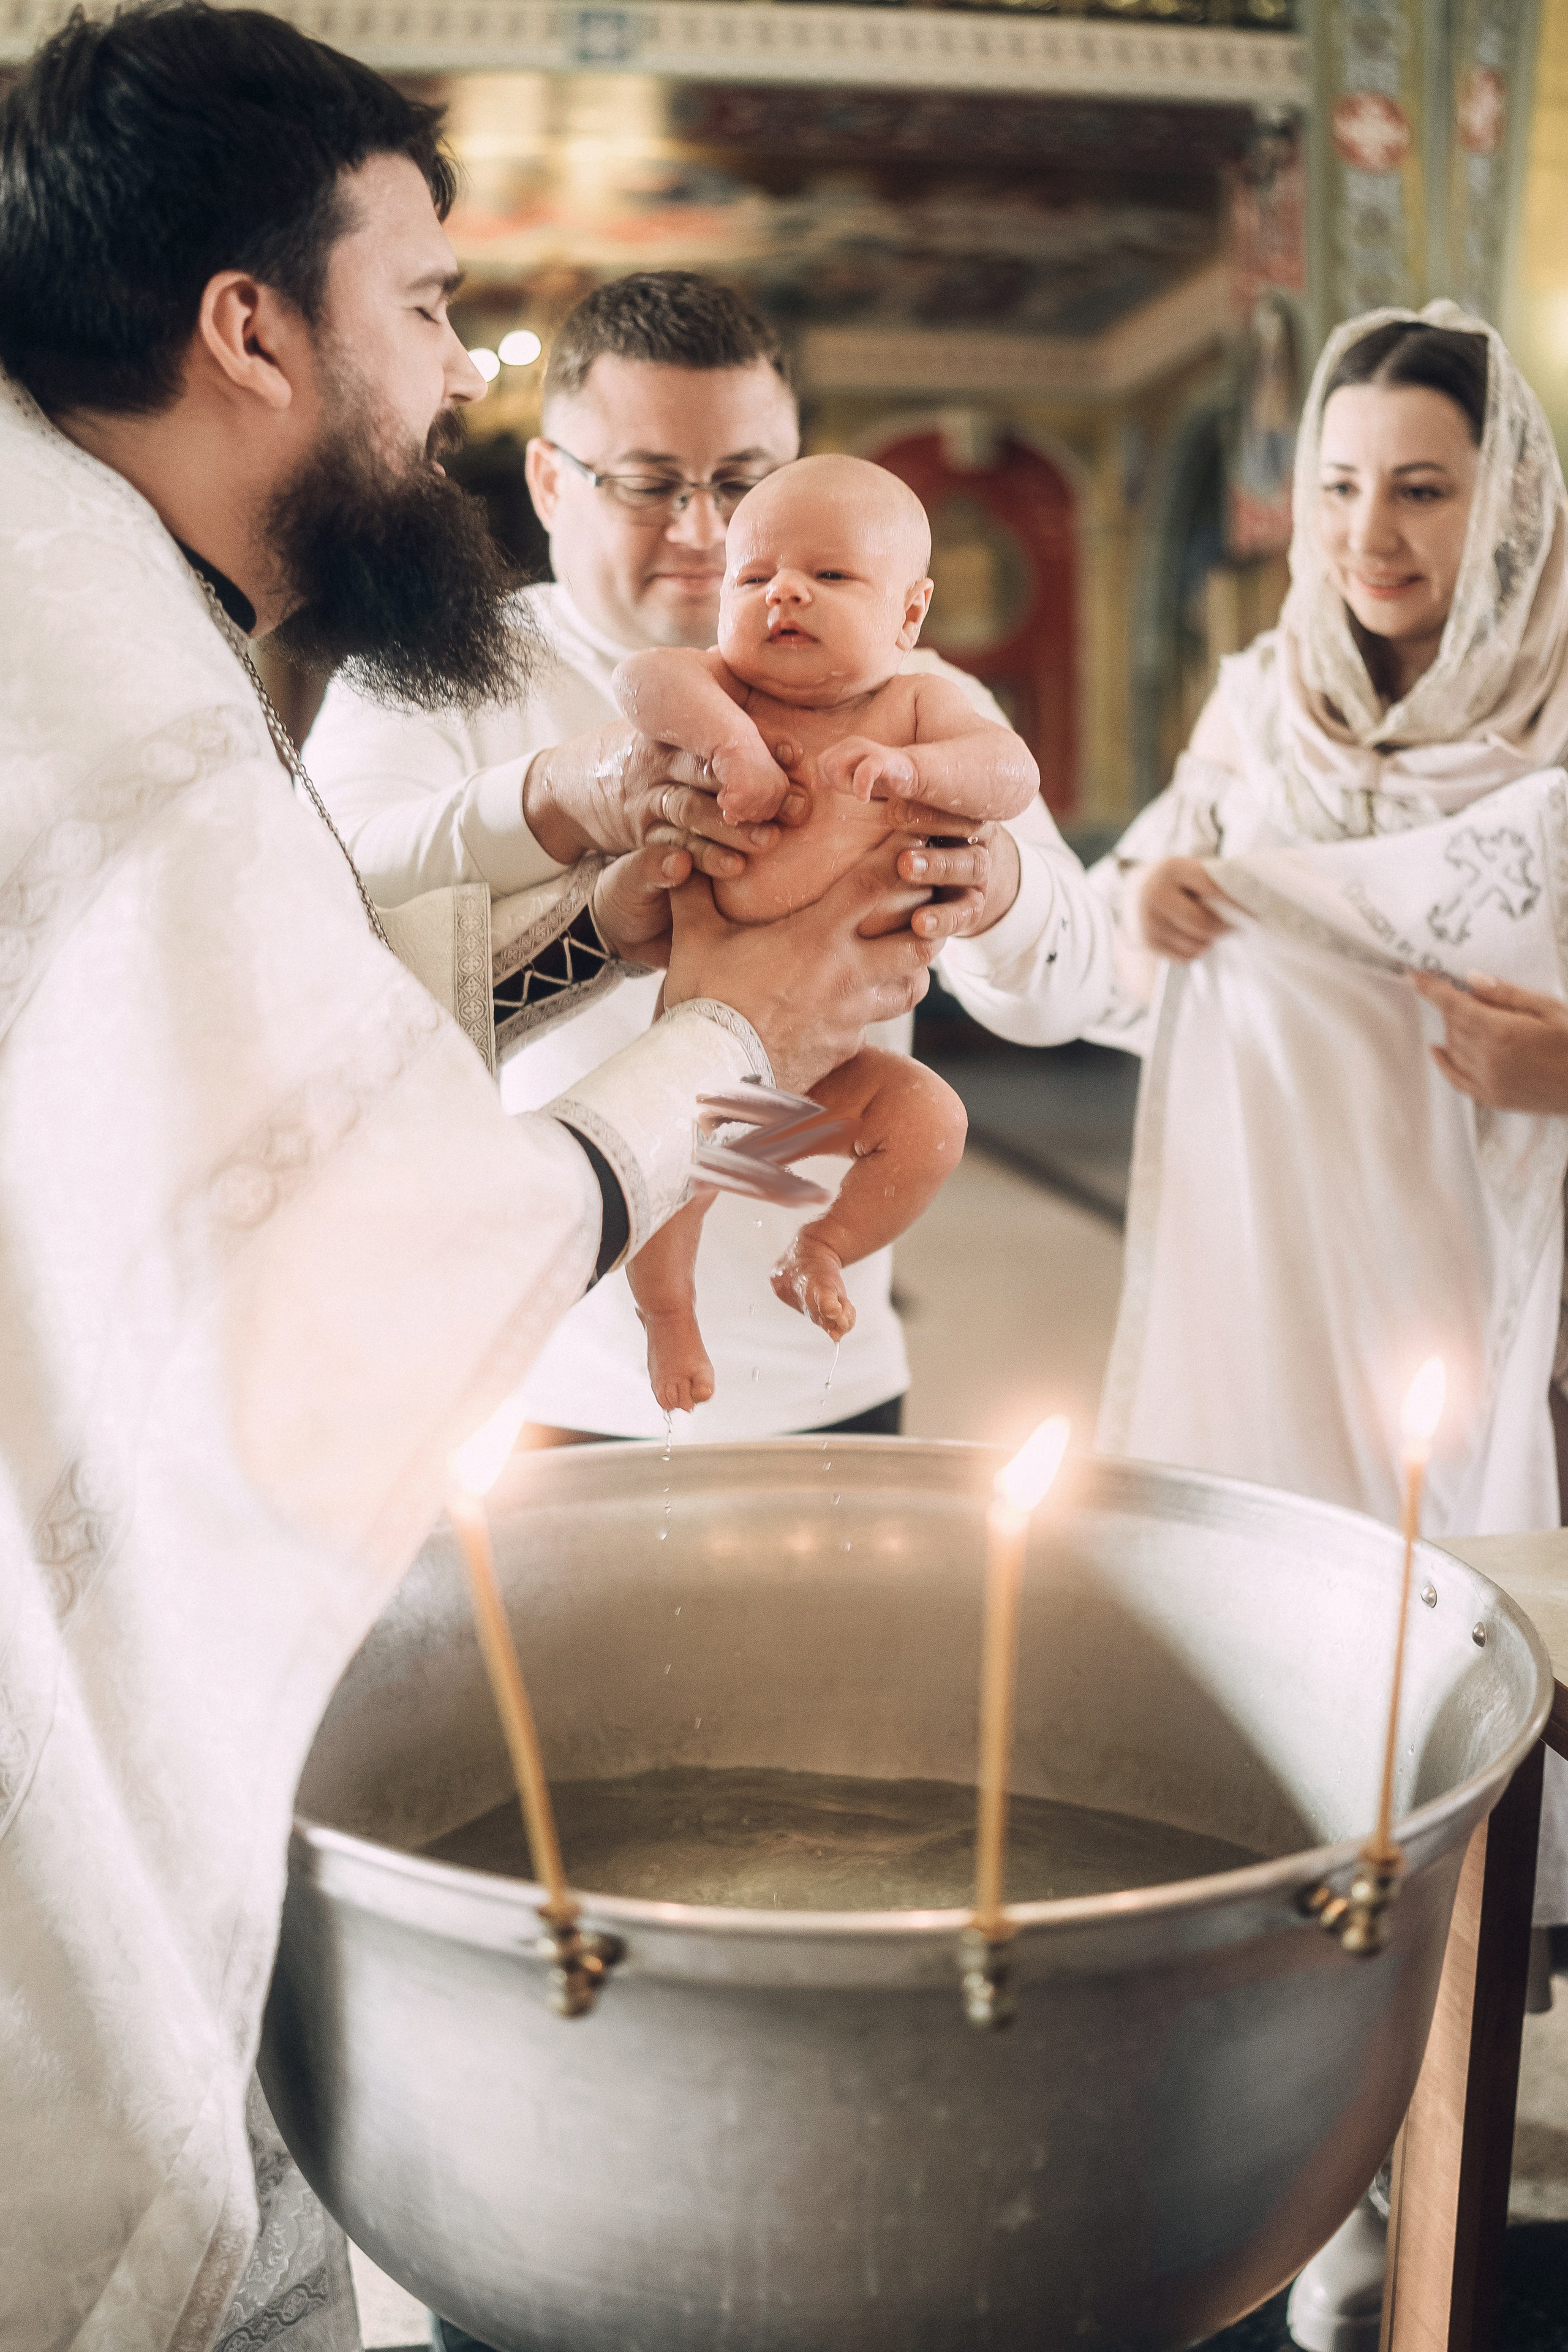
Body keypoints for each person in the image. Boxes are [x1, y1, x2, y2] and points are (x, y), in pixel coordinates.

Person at [0, 13, 971, 2349]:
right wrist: (736, 1031)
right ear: (253, 328)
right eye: (428, 305)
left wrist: (600, 916)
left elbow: (296, 1041)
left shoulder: (78, 588)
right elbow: (351, 1253)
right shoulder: (108, 692)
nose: (458, 375)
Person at [307, 271, 1114, 1446]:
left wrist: (987, 893)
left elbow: (1080, 986)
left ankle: (815, 1254)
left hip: (826, 1378)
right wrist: (554, 798)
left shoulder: (916, 692)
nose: (703, 531)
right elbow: (319, 898)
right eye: (647, 484)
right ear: (548, 479)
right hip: (543, 1373)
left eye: (742, 482)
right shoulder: (432, 665)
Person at [619, 454, 1038, 1406]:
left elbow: (1010, 774)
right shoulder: (725, 688)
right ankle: (671, 1321)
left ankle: (822, 1250)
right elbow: (642, 680)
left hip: (828, 1083)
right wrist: (731, 747)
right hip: (702, 1070)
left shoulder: (917, 706)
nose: (785, 593)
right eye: (754, 576)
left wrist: (920, 776)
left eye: (831, 575)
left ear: (910, 613)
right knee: (664, 1188)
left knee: (930, 1125)